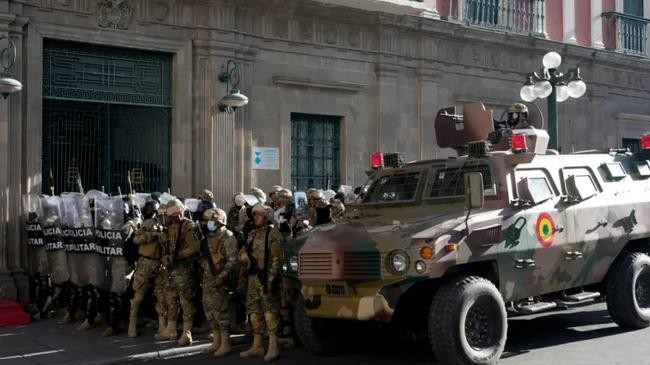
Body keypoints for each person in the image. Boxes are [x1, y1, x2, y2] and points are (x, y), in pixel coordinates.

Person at [239, 204, 285, 361]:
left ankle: (273, 346)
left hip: (266, 278)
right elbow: (243, 252)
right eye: (255, 214)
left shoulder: (274, 234)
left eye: (259, 215)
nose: (255, 217)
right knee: (254, 313)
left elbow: (277, 260)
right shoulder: (252, 233)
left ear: (267, 217)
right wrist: (244, 257)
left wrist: (271, 280)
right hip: (252, 279)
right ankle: (257, 346)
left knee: (270, 313)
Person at [157, 198, 202, 346]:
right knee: (170, 298)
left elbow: (195, 247)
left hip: (184, 269)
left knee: (185, 300)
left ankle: (187, 332)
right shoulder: (168, 226)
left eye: (171, 214)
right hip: (171, 269)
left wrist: (176, 256)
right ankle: (171, 329)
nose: (168, 217)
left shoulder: (189, 226)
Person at [200, 208, 238, 357]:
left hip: (220, 280)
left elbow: (232, 261)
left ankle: (225, 343)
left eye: (211, 221)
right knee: (209, 310)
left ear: (219, 221)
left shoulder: (228, 237)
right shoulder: (209, 237)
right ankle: (216, 341)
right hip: (208, 279)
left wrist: (222, 277)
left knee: (221, 312)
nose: (208, 224)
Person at [127, 200, 165, 338]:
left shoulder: (166, 225)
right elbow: (136, 240)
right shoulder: (147, 224)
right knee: (138, 296)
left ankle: (162, 326)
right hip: (146, 263)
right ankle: (132, 325)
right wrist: (152, 235)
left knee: (161, 296)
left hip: (160, 264)